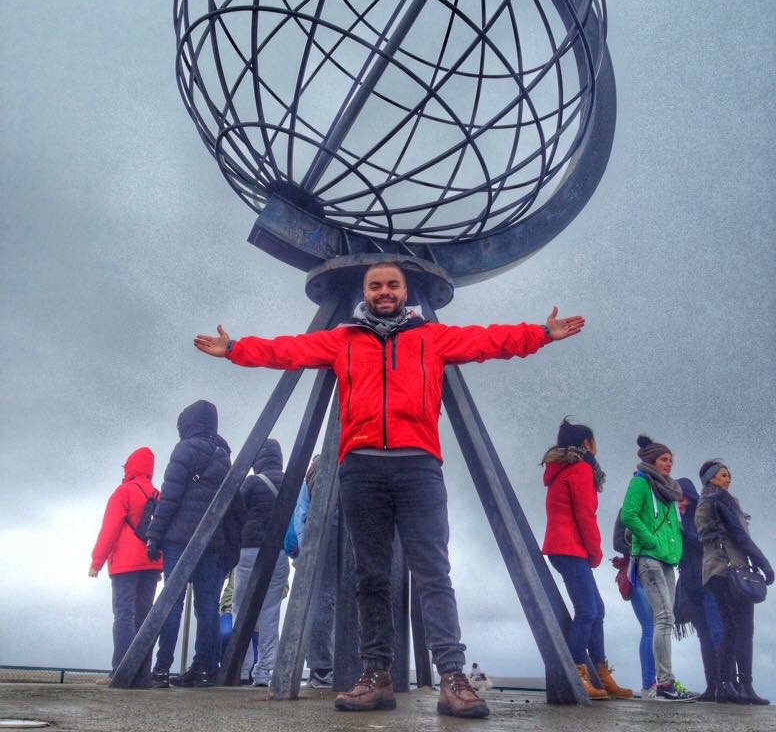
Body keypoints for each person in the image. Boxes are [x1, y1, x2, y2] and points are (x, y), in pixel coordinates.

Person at [195, 260, 584, 718]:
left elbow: (488, 341)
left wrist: (541, 333)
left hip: (418, 466)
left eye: (392, 285)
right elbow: (289, 350)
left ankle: (452, 677)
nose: (384, 291)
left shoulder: (431, 338)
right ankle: (376, 675)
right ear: (366, 293)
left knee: (433, 572)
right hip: (361, 468)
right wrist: (235, 349)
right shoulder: (343, 340)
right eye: (376, 285)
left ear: (404, 292)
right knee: (371, 577)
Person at [145, 399, 240, 688]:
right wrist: (230, 549)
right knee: (207, 606)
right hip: (212, 542)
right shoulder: (225, 457)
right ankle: (204, 669)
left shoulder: (185, 449)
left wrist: (154, 535)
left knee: (172, 602)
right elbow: (234, 509)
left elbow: (170, 496)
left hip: (179, 539)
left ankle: (161, 669)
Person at [541, 418, 631, 700]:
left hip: (564, 547)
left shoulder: (564, 469)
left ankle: (600, 673)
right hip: (570, 547)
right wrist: (596, 552)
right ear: (587, 444)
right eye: (595, 441)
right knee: (587, 611)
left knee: (597, 610)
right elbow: (585, 514)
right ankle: (577, 674)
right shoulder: (580, 469)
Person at [620, 434, 698, 701]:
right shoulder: (641, 482)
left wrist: (675, 552)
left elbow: (673, 526)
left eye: (671, 460)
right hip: (650, 559)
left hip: (667, 561)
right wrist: (650, 541)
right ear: (652, 460)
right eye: (664, 459)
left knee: (666, 618)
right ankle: (664, 684)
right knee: (663, 618)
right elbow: (628, 515)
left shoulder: (668, 490)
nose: (669, 463)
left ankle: (666, 683)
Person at [695, 459, 774, 705]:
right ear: (710, 478)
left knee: (730, 628)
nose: (727, 479)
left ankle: (725, 686)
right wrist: (763, 564)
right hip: (730, 570)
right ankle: (745, 687)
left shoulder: (704, 501)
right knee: (744, 629)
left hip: (713, 571)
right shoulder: (719, 500)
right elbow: (739, 535)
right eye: (722, 475)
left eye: (729, 475)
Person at [89, 447, 163, 687]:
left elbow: (109, 529)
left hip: (125, 563)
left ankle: (120, 672)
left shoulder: (124, 492)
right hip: (151, 563)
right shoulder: (158, 494)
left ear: (130, 467)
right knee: (144, 618)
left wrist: (96, 562)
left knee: (124, 615)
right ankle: (142, 674)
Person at [232, 437, 290, 687]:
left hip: (249, 550)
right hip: (278, 552)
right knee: (270, 610)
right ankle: (265, 671)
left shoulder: (252, 482)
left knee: (240, 608)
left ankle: (240, 668)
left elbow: (236, 513)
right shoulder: (291, 480)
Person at [284, 454, 338, 689]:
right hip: (338, 527)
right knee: (335, 598)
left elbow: (302, 510)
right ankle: (326, 666)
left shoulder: (314, 468)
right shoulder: (340, 460)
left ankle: (320, 667)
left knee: (322, 597)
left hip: (317, 530)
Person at [673, 477, 723, 702]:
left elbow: (702, 540)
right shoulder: (674, 518)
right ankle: (712, 686)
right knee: (704, 636)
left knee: (717, 632)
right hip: (689, 584)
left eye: (683, 498)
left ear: (691, 497)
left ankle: (726, 684)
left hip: (708, 582)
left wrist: (682, 527)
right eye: (677, 499)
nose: (680, 503)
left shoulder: (698, 516)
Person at [613, 510, 656, 698]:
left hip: (654, 573)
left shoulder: (656, 508)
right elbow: (617, 542)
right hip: (637, 572)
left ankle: (656, 683)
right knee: (650, 627)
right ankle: (649, 685)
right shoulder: (627, 510)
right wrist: (637, 550)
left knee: (655, 628)